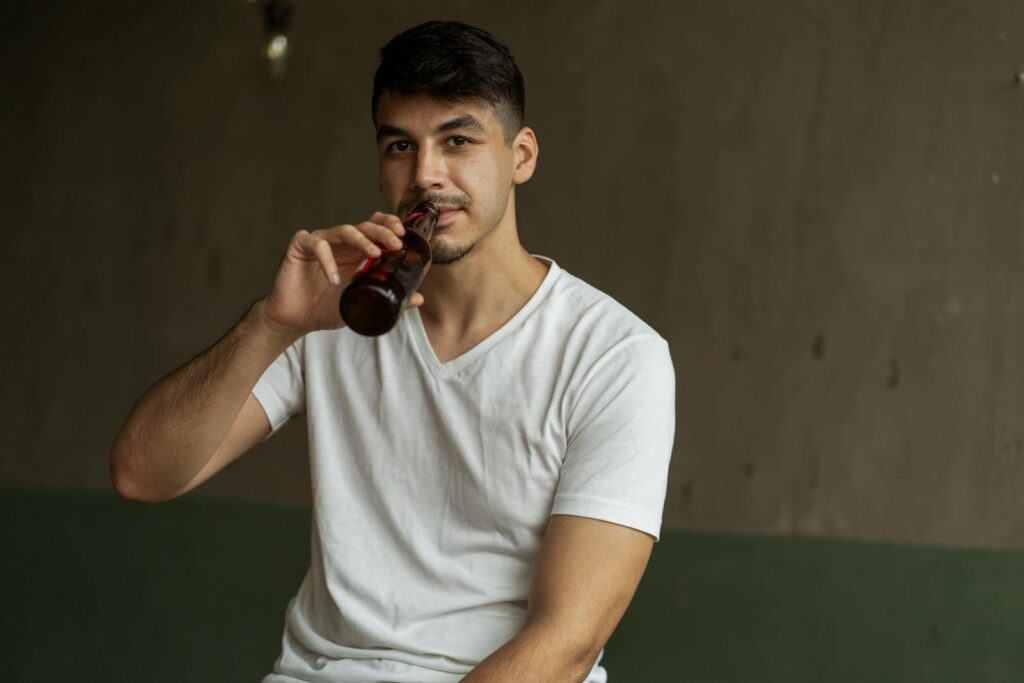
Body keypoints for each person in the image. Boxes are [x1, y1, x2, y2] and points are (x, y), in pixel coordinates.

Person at [111, 20, 675, 683]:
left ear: (520, 157)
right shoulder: (335, 309)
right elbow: (142, 474)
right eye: (400, 145)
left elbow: (566, 644)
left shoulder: (614, 354)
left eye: (458, 140)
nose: (425, 175)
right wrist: (272, 323)